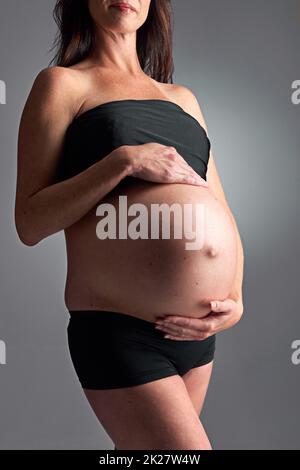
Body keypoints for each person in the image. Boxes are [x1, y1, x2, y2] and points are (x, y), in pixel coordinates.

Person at [14, 0, 244, 450]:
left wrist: (236, 297)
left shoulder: (183, 100)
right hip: (118, 329)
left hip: (195, 336)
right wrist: (123, 160)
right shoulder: (62, 85)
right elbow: (30, 221)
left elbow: (221, 208)